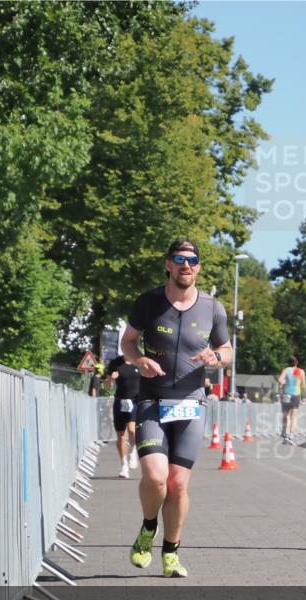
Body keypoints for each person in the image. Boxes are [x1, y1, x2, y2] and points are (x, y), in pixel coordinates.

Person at [120, 240, 232, 578]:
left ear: (198, 267)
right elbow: (127, 342)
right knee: (155, 478)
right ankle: (147, 528)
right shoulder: (148, 302)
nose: (187, 265)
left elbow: (226, 349)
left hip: (190, 404)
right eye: (180, 259)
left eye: (193, 260)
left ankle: (171, 552)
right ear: (168, 264)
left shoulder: (213, 308)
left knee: (178, 483)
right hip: (152, 401)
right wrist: (138, 360)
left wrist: (217, 357)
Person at [106, 353, 141, 479]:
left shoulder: (139, 362)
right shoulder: (115, 363)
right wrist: (111, 379)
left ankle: (134, 451)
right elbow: (107, 385)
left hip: (135, 401)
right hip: (120, 401)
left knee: (132, 430)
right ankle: (124, 465)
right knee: (120, 435)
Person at [278, 356, 306, 444]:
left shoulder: (286, 370)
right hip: (296, 395)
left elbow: (280, 380)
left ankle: (286, 434)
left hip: (286, 394)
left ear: (289, 363)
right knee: (294, 416)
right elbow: (303, 385)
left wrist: (285, 383)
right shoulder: (300, 371)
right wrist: (299, 385)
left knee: (287, 415)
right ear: (297, 362)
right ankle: (291, 435)